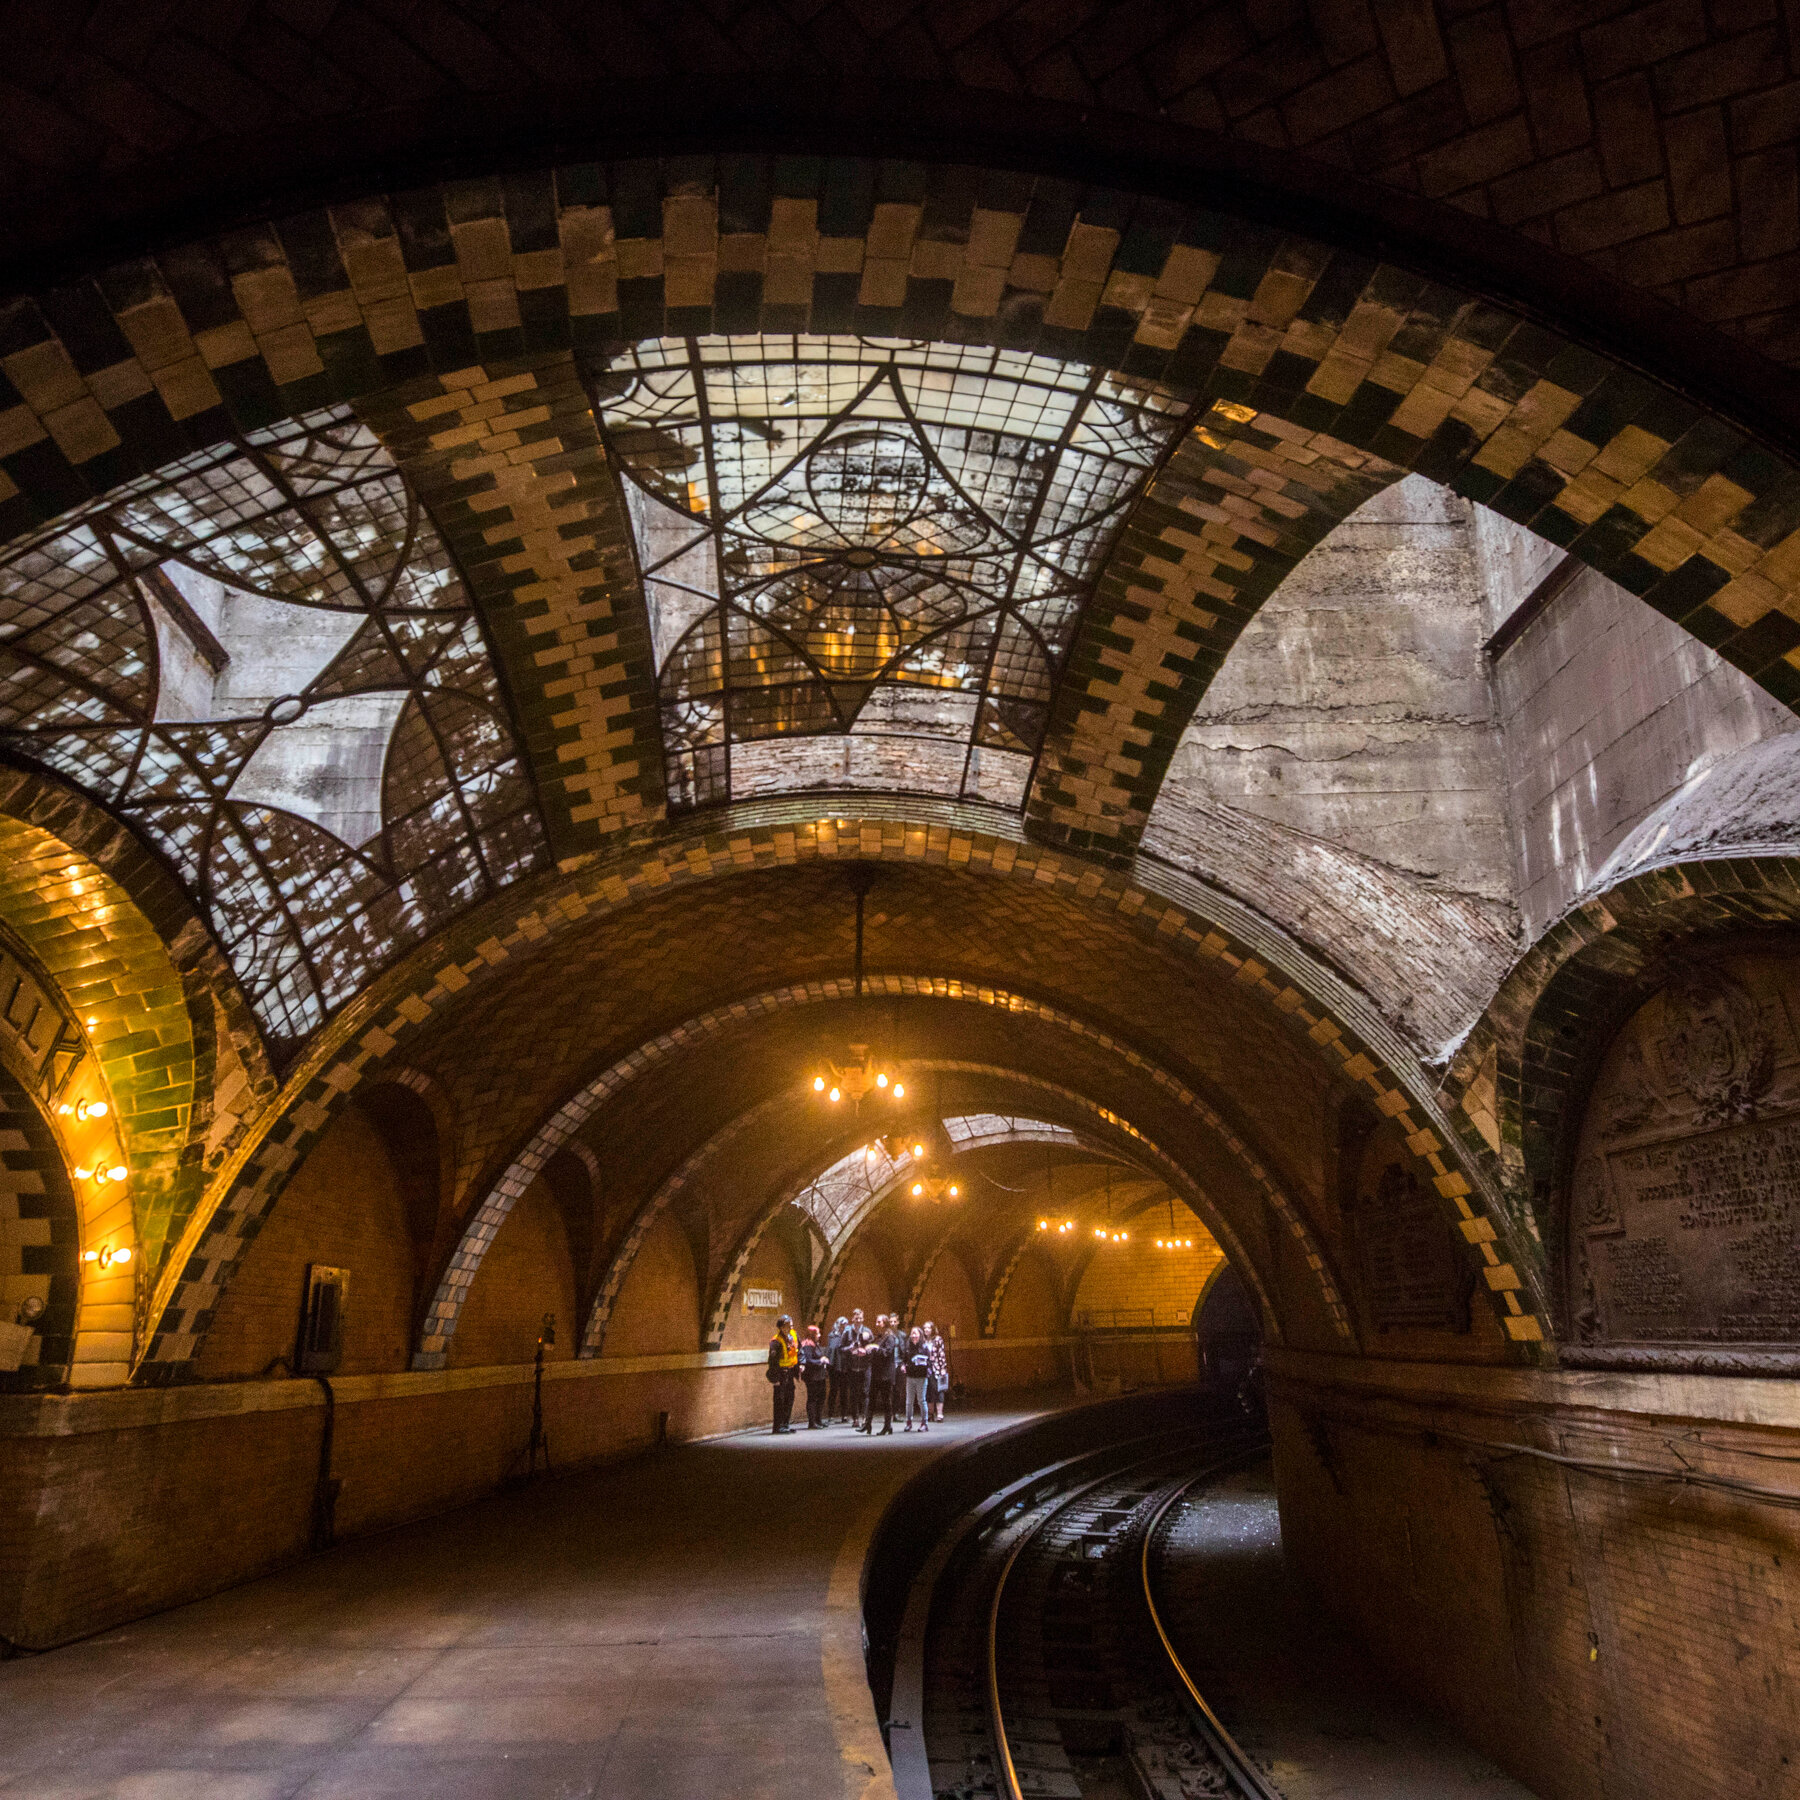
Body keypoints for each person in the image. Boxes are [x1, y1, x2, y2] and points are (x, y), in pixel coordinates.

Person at [862, 1313, 899, 1436]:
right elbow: (874, 1352)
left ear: (885, 1323)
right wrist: (866, 1351)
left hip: (886, 1374)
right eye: (876, 1322)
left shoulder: (890, 1337)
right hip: (876, 1373)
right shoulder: (878, 1337)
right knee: (871, 1399)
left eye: (879, 1322)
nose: (876, 1324)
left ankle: (887, 1426)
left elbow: (887, 1353)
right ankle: (867, 1424)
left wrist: (875, 1348)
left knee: (886, 1401)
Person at [766, 1314, 799, 1434]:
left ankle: (785, 1424)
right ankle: (778, 1426)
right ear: (781, 1327)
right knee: (779, 1400)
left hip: (789, 1372)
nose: (790, 1328)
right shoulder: (776, 1342)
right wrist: (775, 1379)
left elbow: (797, 1352)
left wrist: (799, 1367)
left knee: (789, 1398)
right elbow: (772, 1361)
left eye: (791, 1326)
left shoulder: (792, 1337)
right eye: (788, 1326)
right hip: (780, 1373)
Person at [839, 1308, 873, 1425]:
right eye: (856, 1318)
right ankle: (855, 1418)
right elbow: (840, 1348)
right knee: (853, 1393)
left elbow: (873, 1347)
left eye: (860, 1318)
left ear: (863, 1319)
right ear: (852, 1319)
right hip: (852, 1367)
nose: (858, 1320)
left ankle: (865, 1417)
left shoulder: (867, 1331)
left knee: (865, 1392)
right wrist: (850, 1349)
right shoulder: (847, 1332)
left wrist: (865, 1351)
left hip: (865, 1367)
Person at [799, 1324, 831, 1429]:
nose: (820, 1335)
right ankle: (812, 1422)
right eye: (817, 1333)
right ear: (812, 1334)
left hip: (819, 1375)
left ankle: (818, 1420)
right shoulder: (807, 1344)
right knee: (812, 1398)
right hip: (812, 1376)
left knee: (821, 1396)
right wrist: (820, 1360)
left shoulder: (815, 1344)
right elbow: (808, 1360)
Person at [902, 1325, 931, 1431]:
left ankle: (924, 1423)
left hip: (921, 1377)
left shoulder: (924, 1347)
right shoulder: (908, 1347)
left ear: (920, 1335)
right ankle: (908, 1422)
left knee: (921, 1400)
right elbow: (904, 1360)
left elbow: (929, 1362)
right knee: (909, 1401)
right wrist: (903, 1366)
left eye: (915, 1333)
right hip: (910, 1376)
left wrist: (923, 1362)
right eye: (912, 1333)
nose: (913, 1336)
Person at [924, 1320, 950, 1422]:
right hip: (926, 1368)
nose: (926, 1329)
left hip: (937, 1368)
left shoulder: (938, 1339)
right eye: (925, 1328)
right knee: (929, 1391)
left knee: (939, 1390)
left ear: (932, 1329)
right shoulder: (923, 1340)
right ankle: (930, 1414)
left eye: (928, 1328)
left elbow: (941, 1354)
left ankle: (939, 1414)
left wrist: (943, 1368)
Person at [825, 1316, 847, 1421]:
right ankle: (830, 1414)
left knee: (844, 1391)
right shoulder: (832, 1336)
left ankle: (844, 1415)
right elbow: (831, 1350)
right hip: (834, 1367)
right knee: (833, 1390)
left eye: (845, 1325)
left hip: (844, 1367)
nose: (844, 1327)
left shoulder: (847, 1335)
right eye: (842, 1325)